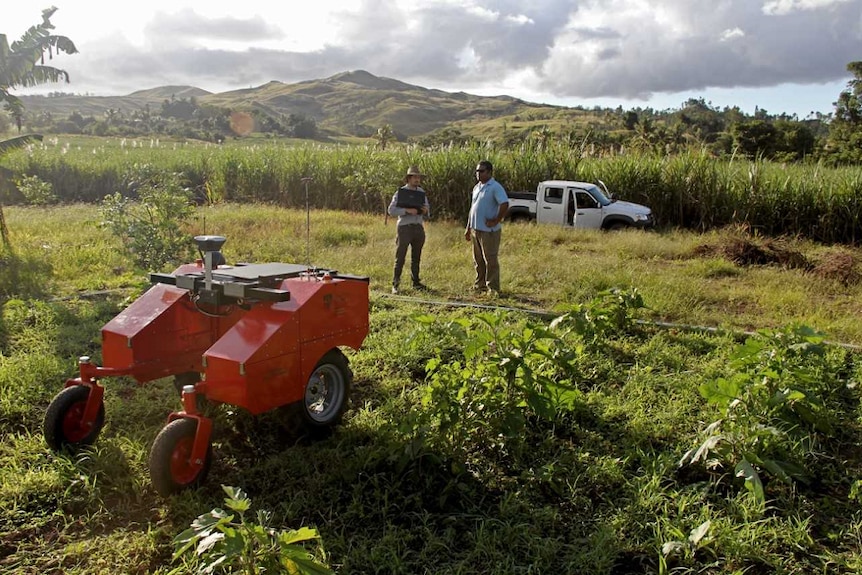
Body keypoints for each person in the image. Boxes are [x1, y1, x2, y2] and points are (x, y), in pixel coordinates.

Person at [464, 160, 508, 294]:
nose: (478, 174)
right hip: (475, 229)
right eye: (477, 171)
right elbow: (473, 208)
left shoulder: (495, 187)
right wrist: (468, 227)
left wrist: (496, 220)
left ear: (489, 172)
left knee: (490, 259)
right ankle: (480, 284)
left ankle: (493, 288)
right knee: (478, 259)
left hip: (489, 231)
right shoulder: (477, 187)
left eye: (481, 171)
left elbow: (504, 204)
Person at [388, 165, 430, 294]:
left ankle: (416, 282)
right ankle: (395, 284)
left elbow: (428, 210)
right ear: (409, 178)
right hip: (404, 228)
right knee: (400, 256)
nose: (417, 179)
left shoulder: (421, 193)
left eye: (419, 177)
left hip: (418, 227)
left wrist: (425, 211)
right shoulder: (400, 192)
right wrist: (406, 210)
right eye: (415, 177)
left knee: (416, 257)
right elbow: (391, 210)